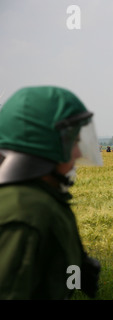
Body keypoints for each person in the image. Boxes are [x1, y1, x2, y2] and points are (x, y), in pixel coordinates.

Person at [0, 86, 102, 299]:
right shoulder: (26, 212)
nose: (79, 153)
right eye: (74, 142)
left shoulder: (42, 200)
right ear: (46, 146)